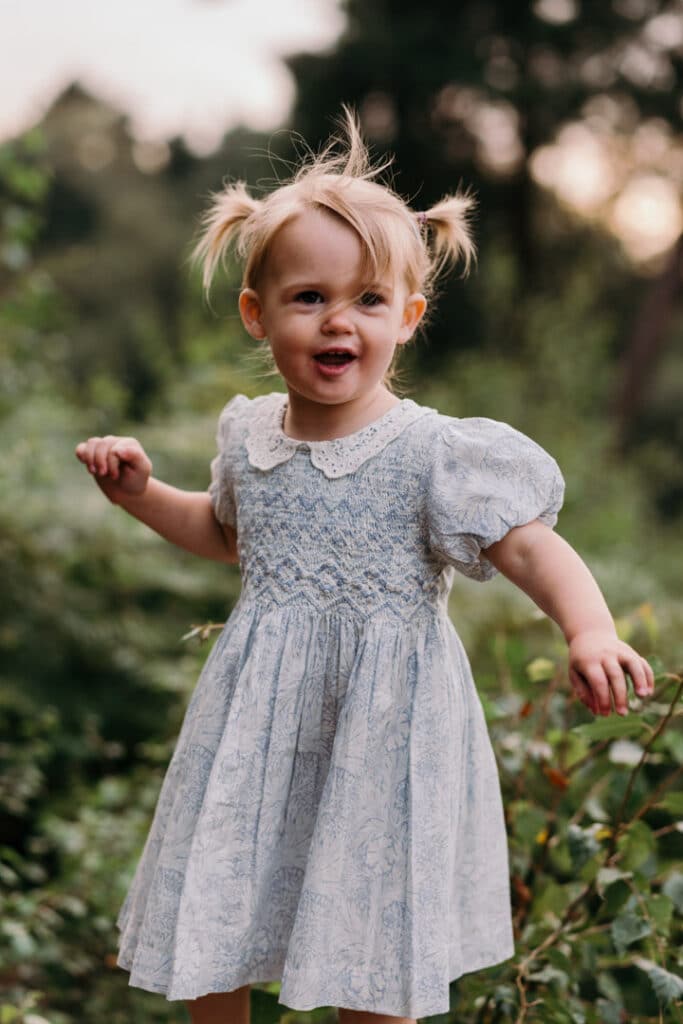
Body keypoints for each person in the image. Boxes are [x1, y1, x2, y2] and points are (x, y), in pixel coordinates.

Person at [74, 107, 655, 1024]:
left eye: (367, 301)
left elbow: (531, 545)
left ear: (409, 318)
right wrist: (142, 493)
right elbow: (226, 534)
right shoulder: (249, 436)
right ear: (257, 315)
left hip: (384, 735)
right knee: (221, 901)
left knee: (372, 930)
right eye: (308, 298)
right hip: (255, 722)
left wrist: (588, 629)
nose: (337, 320)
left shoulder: (433, 455)